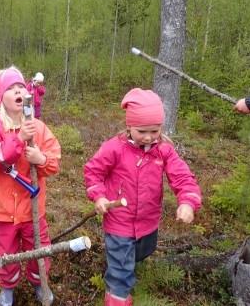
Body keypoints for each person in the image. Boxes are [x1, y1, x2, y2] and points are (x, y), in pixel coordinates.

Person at [84, 88, 202, 306]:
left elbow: (183, 176)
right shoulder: (114, 148)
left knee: (139, 255)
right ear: (129, 126)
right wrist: (99, 197)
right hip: (119, 221)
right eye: (142, 131)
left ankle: (122, 268)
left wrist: (188, 202)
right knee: (121, 274)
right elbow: (93, 171)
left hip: (148, 223)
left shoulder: (163, 150)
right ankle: (117, 296)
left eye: (154, 131)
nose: (148, 137)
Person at [0, 66, 61, 306]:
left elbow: (54, 163)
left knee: (39, 248)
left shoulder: (39, 127)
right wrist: (19, 139)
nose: (17, 91)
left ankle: (38, 281)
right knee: (6, 253)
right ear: (0, 98)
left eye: (20, 87)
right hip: (0, 209)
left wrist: (41, 159)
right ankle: (7, 288)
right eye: (10, 88)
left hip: (32, 208)